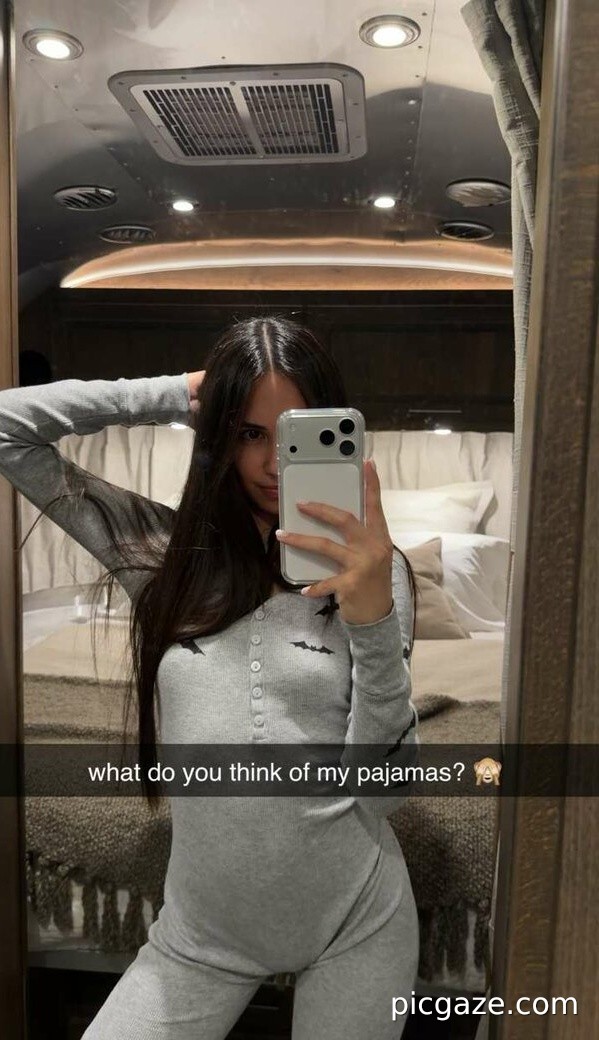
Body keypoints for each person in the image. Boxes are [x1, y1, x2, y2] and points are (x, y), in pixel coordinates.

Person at [0, 316, 420, 1039]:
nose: (274, 463)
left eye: (295, 434)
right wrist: (171, 394)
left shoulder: (378, 575)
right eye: (250, 432)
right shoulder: (159, 554)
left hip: (358, 922)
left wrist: (373, 619)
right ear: (218, 432)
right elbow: (8, 430)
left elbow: (384, 793)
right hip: (201, 938)